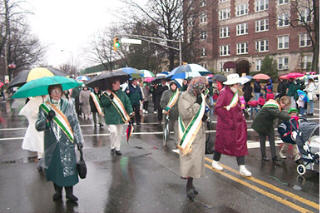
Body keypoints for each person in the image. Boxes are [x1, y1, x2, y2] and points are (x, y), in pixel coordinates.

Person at [36, 84, 84, 203]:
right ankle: (57, 192)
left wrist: (79, 140)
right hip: (52, 144)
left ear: (62, 92)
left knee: (69, 168)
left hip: (67, 142)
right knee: (55, 168)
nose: (57, 94)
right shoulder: (44, 107)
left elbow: (75, 123)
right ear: (50, 93)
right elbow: (38, 126)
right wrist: (47, 119)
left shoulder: (68, 105)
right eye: (54, 91)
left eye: (59, 91)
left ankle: (69, 193)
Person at [211, 74, 252, 177]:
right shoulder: (224, 93)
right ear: (233, 84)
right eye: (237, 83)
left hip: (237, 124)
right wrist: (228, 120)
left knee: (240, 145)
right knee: (221, 143)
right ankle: (215, 161)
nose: (238, 85)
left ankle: (242, 167)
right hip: (226, 125)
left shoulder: (235, 92)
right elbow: (218, 108)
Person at [177, 76, 208, 201]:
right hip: (189, 132)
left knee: (196, 160)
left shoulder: (198, 96)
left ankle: (191, 183)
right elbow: (185, 114)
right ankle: (188, 186)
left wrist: (204, 114)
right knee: (190, 159)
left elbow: (199, 111)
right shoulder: (184, 96)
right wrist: (198, 104)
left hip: (198, 132)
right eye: (202, 87)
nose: (204, 89)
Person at [252, 96, 291, 162]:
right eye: (284, 105)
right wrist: (290, 117)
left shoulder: (276, 105)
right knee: (263, 140)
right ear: (281, 102)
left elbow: (279, 116)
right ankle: (264, 156)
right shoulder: (272, 106)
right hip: (261, 124)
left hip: (269, 124)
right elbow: (278, 114)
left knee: (272, 139)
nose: (285, 107)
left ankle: (274, 157)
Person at [100, 78, 133, 156]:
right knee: (113, 132)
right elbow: (103, 103)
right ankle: (112, 146)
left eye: (119, 84)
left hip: (120, 117)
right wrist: (110, 99)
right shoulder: (106, 94)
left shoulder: (122, 93)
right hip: (110, 117)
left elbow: (127, 102)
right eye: (117, 84)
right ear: (113, 84)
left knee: (119, 133)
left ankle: (117, 148)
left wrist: (130, 111)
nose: (118, 85)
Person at [19, 96, 45, 172]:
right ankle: (42, 163)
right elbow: (33, 114)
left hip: (38, 127)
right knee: (41, 145)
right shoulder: (36, 101)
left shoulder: (35, 101)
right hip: (38, 127)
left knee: (41, 146)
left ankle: (41, 163)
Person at [160, 80, 180, 147]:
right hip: (168, 114)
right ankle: (165, 141)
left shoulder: (178, 94)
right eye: (172, 85)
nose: (173, 86)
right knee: (167, 129)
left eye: (174, 85)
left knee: (176, 130)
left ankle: (177, 142)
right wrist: (166, 108)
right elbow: (162, 102)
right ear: (170, 86)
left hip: (176, 114)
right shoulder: (166, 93)